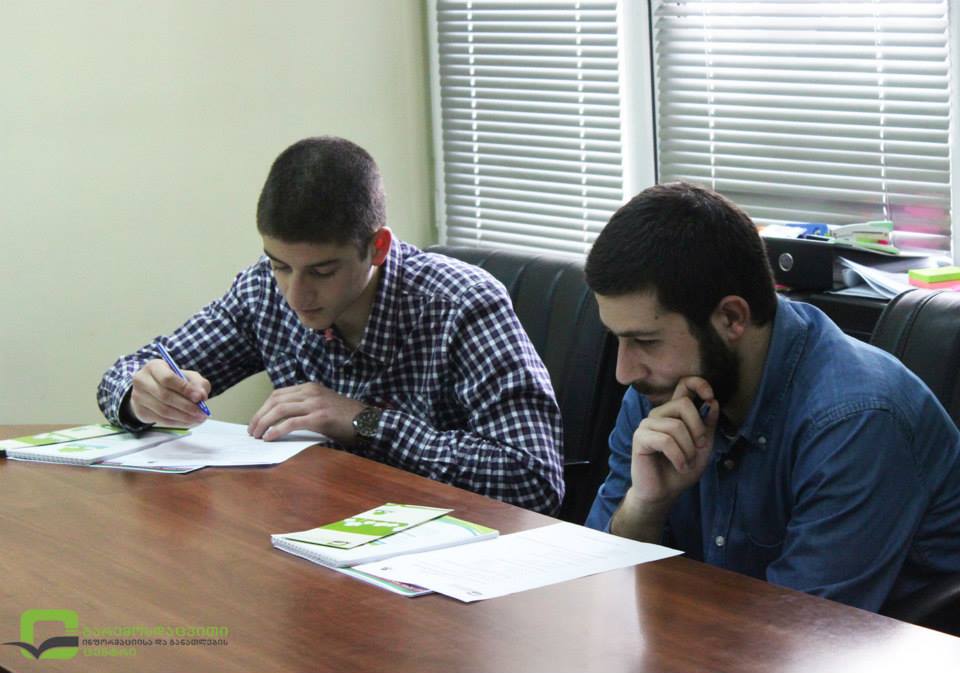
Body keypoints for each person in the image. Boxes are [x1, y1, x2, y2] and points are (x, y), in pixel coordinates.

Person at [97, 136, 564, 514]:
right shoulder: (263, 290)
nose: (295, 295)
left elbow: (534, 478)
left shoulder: (462, 304)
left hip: (451, 560)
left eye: (322, 271)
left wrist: (365, 422)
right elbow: (128, 372)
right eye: (280, 264)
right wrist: (144, 396)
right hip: (322, 536)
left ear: (378, 248)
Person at [583, 182, 960, 611]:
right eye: (618, 339)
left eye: (645, 341)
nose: (624, 371)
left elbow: (802, 630)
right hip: (720, 636)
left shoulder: (855, 419)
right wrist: (645, 507)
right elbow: (595, 588)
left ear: (732, 318)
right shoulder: (662, 389)